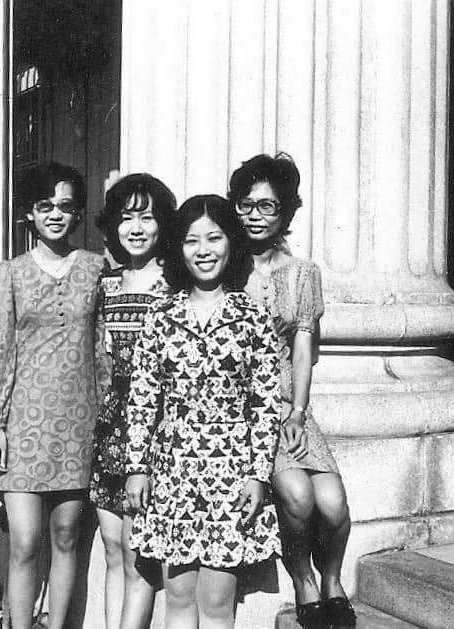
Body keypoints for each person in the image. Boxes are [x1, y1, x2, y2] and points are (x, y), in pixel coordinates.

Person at [125, 194, 282, 629]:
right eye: (192, 241)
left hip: (230, 473)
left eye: (214, 238)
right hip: (172, 470)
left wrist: (258, 474)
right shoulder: (161, 315)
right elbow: (142, 398)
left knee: (216, 599)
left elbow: (265, 403)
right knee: (177, 597)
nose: (204, 250)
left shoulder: (252, 317)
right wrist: (137, 467)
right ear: (178, 247)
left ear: (231, 243)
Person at [229, 153, 355, 629]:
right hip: (245, 406)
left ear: (287, 212)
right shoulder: (227, 266)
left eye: (268, 206)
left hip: (287, 403)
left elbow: (303, 347)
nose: (256, 216)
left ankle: (332, 579)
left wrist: (298, 411)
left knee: (334, 504)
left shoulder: (303, 273)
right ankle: (302, 578)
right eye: (246, 205)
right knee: (298, 498)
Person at [0, 162, 110, 629]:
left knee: (66, 535)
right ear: (29, 215)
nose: (55, 215)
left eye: (65, 206)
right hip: (23, 424)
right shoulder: (11, 273)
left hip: (78, 422)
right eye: (45, 207)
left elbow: (100, 349)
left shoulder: (96, 268)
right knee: (24, 540)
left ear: (78, 213)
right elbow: (2, 350)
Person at [89, 173, 176, 629]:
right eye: (126, 218)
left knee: (137, 550)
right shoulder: (107, 285)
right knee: (111, 545)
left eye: (147, 216)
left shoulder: (175, 285)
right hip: (109, 426)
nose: (136, 227)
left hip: (155, 430)